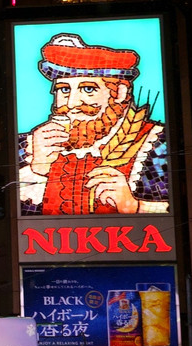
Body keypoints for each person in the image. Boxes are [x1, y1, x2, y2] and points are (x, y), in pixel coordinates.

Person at [18, 33, 168, 216]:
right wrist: (38, 171)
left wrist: (134, 206)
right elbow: (4, 215)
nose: (72, 103)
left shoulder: (157, 143)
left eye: (88, 89)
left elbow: (184, 210)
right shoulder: (25, 147)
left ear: (120, 93)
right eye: (64, 90)